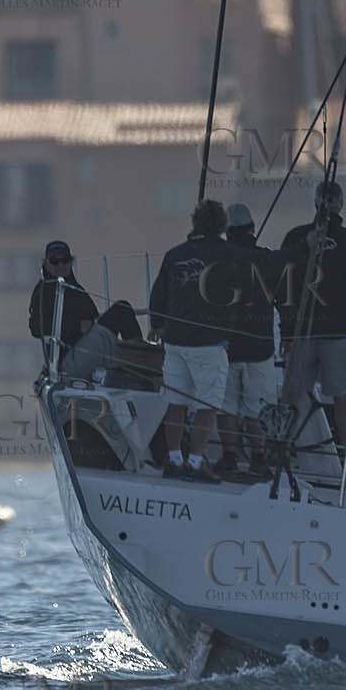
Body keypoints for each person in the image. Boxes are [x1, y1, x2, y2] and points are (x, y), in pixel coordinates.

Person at [277, 179, 346, 450]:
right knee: (343, 397)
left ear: (315, 203)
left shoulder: (295, 237)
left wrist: (286, 330)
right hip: (340, 332)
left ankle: (283, 447)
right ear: (341, 205)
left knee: (291, 394)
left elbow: (283, 288)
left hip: (301, 333)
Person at [150, 200, 234, 480]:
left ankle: (174, 460)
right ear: (222, 225)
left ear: (195, 222)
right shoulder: (229, 254)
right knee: (207, 406)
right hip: (209, 345)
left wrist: (157, 324)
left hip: (174, 342)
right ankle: (196, 462)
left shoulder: (175, 255)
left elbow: (158, 293)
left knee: (176, 402)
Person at [210, 203, 281, 476]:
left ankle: (229, 457)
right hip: (259, 345)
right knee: (258, 405)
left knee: (226, 404)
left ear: (227, 232)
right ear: (252, 228)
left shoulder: (216, 261)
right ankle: (259, 459)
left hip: (225, 346)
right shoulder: (267, 260)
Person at [28, 239, 98, 369]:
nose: (60, 265)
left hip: (89, 347)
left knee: (122, 309)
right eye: (55, 261)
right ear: (46, 264)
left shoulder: (75, 287)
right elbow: (36, 327)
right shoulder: (43, 291)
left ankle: (140, 354)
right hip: (67, 357)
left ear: (71, 262)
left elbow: (93, 315)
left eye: (65, 260)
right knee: (120, 313)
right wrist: (77, 326)